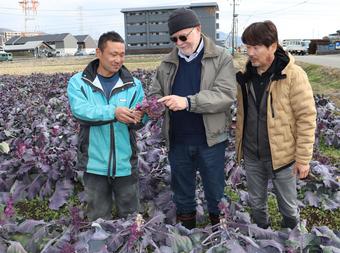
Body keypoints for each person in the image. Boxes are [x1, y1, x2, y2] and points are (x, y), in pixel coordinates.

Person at [149, 8, 237, 230]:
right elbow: (155, 92)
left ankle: (222, 234)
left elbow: (225, 96)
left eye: (183, 37)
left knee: (215, 191)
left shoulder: (221, 58)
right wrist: (154, 105)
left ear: (197, 30)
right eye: (174, 39)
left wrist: (187, 102)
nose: (178, 43)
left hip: (210, 141)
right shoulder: (167, 63)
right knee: (182, 192)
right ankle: (186, 235)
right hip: (178, 140)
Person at [235, 21, 317, 229]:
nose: (250, 53)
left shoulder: (293, 75)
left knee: (288, 208)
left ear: (272, 46)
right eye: (247, 48)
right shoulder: (246, 77)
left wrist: (303, 159)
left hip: (283, 157)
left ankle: (293, 238)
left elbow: (306, 118)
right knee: (256, 204)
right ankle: (263, 236)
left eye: (255, 47)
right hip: (253, 153)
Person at [67, 31, 147, 221]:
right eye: (113, 54)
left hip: (126, 164)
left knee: (130, 219)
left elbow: (141, 121)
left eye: (122, 54)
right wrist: (114, 112)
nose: (118, 59)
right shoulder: (80, 83)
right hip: (95, 165)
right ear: (98, 53)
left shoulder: (133, 85)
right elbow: (81, 111)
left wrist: (141, 117)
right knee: (97, 218)